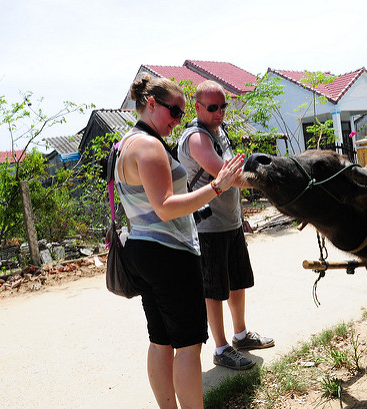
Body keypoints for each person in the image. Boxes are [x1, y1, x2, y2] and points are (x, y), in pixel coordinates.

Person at [116, 74, 244, 409]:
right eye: (174, 112)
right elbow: (166, 207)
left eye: (182, 115)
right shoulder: (148, 146)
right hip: (168, 254)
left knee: (160, 341)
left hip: (142, 250)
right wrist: (217, 186)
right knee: (188, 344)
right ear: (152, 104)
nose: (177, 121)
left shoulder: (126, 143)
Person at [178, 80, 274, 370]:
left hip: (230, 222)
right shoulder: (196, 138)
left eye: (223, 106)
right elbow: (226, 174)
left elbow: (235, 169)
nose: (219, 112)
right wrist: (270, 184)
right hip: (209, 228)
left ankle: (241, 335)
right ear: (197, 107)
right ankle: (220, 348)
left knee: (237, 281)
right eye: (212, 107)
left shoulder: (220, 132)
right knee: (214, 290)